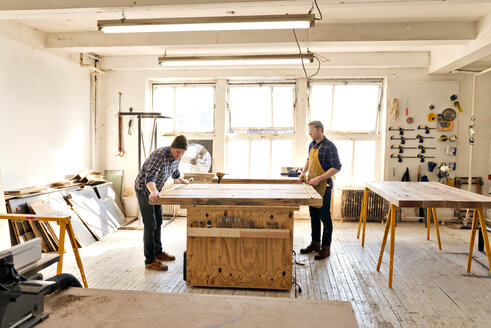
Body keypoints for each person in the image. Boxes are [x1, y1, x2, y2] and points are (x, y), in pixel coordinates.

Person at [135, 135, 190, 270]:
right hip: (145, 189)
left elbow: (175, 173)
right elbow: (150, 178)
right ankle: (149, 260)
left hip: (156, 191)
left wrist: (184, 182)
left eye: (182, 153)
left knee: (158, 221)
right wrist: (153, 192)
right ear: (172, 148)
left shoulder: (177, 157)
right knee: (150, 224)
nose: (179, 155)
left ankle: (158, 253)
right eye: (177, 152)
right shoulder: (159, 156)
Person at [299, 121, 341, 260]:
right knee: (314, 217)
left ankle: (326, 248)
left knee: (325, 217)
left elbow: (336, 167)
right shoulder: (312, 144)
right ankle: (315, 244)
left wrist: (319, 178)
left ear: (319, 130)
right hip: (313, 186)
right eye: (309, 130)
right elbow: (309, 160)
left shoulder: (330, 146)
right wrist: (303, 172)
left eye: (311, 130)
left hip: (324, 187)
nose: (309, 133)